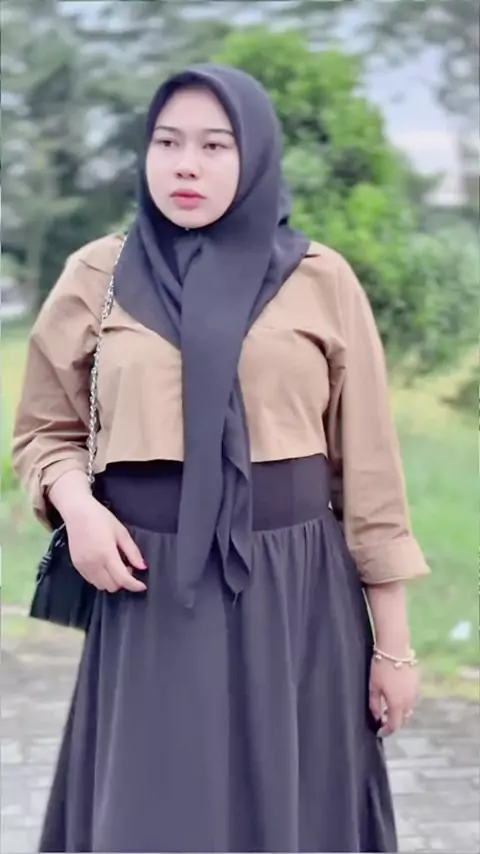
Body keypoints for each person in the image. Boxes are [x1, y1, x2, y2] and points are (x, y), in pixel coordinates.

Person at [12, 64, 430, 854]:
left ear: (256, 155)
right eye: (167, 143)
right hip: (149, 586)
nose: (186, 166)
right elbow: (44, 430)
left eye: (214, 145)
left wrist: (394, 647)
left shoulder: (320, 279)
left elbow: (372, 477)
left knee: (292, 811)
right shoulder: (97, 276)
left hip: (295, 592)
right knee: (153, 812)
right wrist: (79, 509)